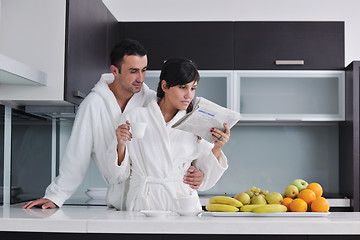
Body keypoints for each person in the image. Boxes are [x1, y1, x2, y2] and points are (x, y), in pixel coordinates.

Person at [22, 39, 204, 210]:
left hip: (154, 201)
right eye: (133, 71)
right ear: (115, 71)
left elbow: (177, 143)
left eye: (144, 70)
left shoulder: (152, 102)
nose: (140, 78)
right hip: (119, 199)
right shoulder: (94, 104)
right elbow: (77, 154)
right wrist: (56, 196)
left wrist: (199, 171)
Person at [115, 58, 229, 211]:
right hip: (144, 201)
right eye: (183, 87)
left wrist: (217, 148)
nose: (189, 95)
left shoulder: (195, 122)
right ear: (165, 86)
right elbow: (119, 174)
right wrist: (121, 144)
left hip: (182, 203)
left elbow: (205, 181)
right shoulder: (135, 117)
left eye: (193, 88)